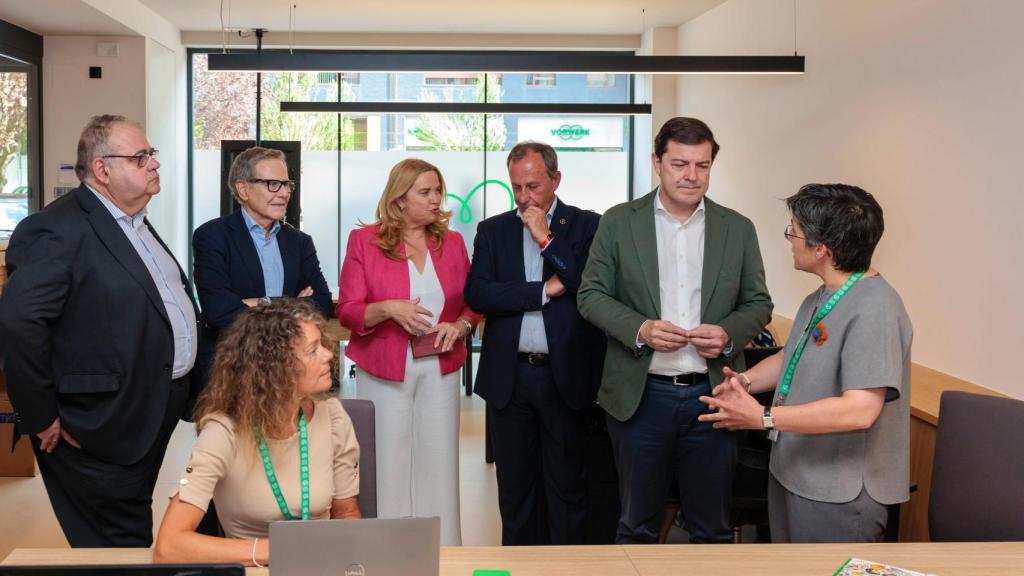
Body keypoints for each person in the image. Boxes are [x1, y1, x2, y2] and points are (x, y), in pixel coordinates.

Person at [0, 115, 200, 547]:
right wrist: (40, 415)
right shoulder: (57, 227)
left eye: (152, 155)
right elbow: (20, 322)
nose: (154, 164)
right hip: (97, 420)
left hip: (149, 406)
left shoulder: (133, 222)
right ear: (102, 169)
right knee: (115, 540)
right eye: (140, 157)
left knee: (131, 519)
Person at [577, 117, 773, 544]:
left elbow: (759, 303)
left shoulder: (737, 228)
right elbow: (590, 295)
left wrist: (728, 333)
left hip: (715, 396)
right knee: (636, 527)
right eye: (680, 164)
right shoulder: (618, 222)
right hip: (641, 397)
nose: (691, 176)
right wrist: (641, 328)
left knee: (712, 530)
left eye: (702, 165)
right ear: (657, 163)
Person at [698, 183, 912, 543]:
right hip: (796, 472)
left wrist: (763, 417)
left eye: (793, 231)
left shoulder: (876, 309)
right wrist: (745, 382)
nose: (790, 240)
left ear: (821, 248)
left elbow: (860, 409)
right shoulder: (822, 296)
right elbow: (791, 356)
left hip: (839, 492)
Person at [465, 141, 604, 545]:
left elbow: (586, 282)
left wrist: (546, 239)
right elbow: (479, 294)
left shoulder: (587, 225)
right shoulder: (493, 230)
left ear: (556, 180)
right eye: (516, 187)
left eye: (533, 186)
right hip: (510, 379)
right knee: (515, 493)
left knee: (567, 490)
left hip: (564, 376)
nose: (524, 197)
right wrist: (542, 291)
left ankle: (565, 569)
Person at [336, 158, 478, 546]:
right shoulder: (364, 241)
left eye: (438, 191)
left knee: (440, 462)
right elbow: (347, 310)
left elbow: (473, 302)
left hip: (441, 367)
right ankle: (388, 552)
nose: (436, 199)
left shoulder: (452, 243)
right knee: (387, 464)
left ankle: (444, 551)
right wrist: (388, 309)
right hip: (384, 368)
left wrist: (461, 326)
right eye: (425, 192)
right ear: (400, 198)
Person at [154, 299, 360, 565]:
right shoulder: (224, 431)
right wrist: (282, 551)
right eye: (313, 350)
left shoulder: (333, 418)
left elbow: (347, 515)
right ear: (275, 368)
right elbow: (169, 547)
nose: (328, 355)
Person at [192, 146, 333, 392]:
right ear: (243, 189)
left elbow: (322, 303)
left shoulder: (300, 242)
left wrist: (259, 303)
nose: (284, 193)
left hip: (287, 368)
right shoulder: (212, 236)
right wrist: (295, 304)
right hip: (231, 369)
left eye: (286, 184)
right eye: (272, 184)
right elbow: (219, 311)